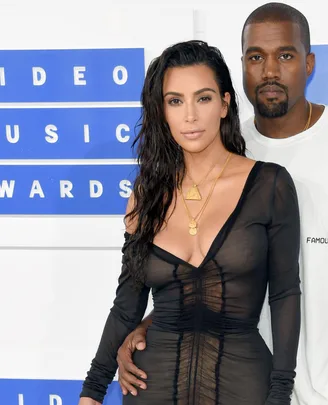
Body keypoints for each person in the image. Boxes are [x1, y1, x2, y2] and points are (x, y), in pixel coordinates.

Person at [115, 3, 328, 405]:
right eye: (256, 57)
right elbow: (204, 267)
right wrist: (149, 325)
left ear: (309, 63)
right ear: (241, 65)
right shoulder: (223, 153)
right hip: (246, 388)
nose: (270, 71)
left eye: (286, 56)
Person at [78, 39, 301, 405]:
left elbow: (284, 294)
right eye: (175, 101)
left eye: (203, 98)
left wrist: (279, 395)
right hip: (150, 386)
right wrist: (92, 391)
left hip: (244, 385)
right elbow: (127, 306)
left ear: (225, 103)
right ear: (162, 111)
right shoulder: (146, 195)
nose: (190, 116)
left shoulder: (270, 185)